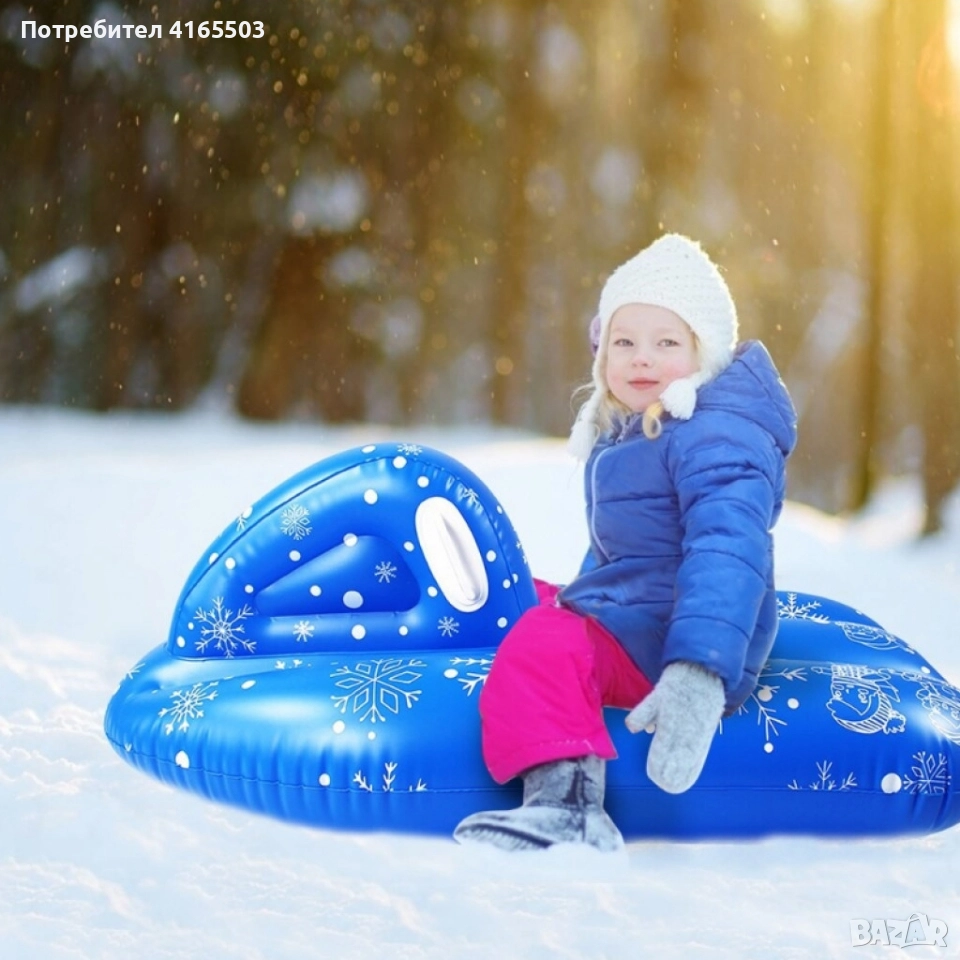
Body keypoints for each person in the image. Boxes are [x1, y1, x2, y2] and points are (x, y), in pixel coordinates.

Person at [454, 233, 797, 851]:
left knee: (546, 639)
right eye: (624, 342)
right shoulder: (640, 430)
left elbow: (729, 550)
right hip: (646, 619)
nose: (642, 359)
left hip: (678, 643)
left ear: (705, 353)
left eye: (666, 343)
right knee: (528, 598)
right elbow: (625, 558)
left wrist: (697, 670)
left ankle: (568, 808)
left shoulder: (716, 435)